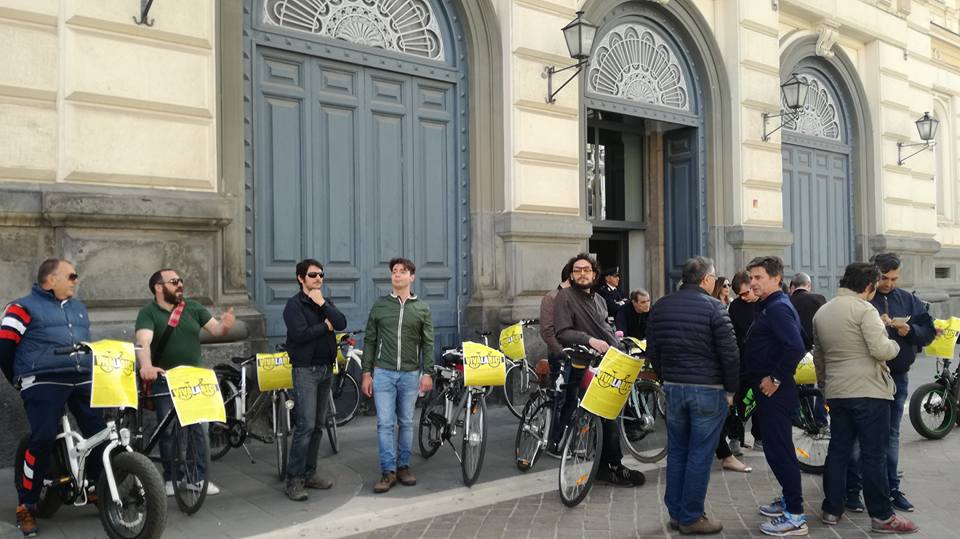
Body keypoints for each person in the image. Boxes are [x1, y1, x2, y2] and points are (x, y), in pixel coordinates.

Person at [813, 262, 918, 534]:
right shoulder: (865, 310)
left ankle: (831, 509)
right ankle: (882, 516)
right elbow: (881, 350)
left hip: (838, 392)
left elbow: (820, 359)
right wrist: (894, 342)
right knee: (873, 455)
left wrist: (825, 388)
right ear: (869, 286)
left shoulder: (823, 312)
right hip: (869, 392)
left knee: (838, 451)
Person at [1, 259, 103, 537]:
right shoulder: (21, 308)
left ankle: (96, 486)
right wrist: (17, 378)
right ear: (51, 279)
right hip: (43, 379)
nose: (75, 280)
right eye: (71, 276)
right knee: (44, 437)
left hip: (81, 377)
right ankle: (27, 504)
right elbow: (5, 347)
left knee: (100, 434)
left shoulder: (78, 308)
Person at [646, 256, 740, 535]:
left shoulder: (661, 306)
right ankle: (691, 516)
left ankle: (677, 514)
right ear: (707, 280)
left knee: (678, 451)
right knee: (700, 454)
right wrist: (731, 389)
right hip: (707, 389)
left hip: (674, 386)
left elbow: (653, 350)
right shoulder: (715, 308)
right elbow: (730, 354)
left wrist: (665, 377)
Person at [135, 268, 235, 497]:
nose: (180, 284)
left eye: (180, 280)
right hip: (166, 378)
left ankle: (197, 478)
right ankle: (172, 477)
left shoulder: (193, 307)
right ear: (158, 287)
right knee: (168, 430)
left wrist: (225, 325)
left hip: (194, 379)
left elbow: (216, 330)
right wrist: (146, 366)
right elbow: (143, 342)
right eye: (173, 281)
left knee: (200, 429)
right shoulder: (148, 313)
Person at [846, 253, 935, 513]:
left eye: (895, 279)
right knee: (859, 436)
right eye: (884, 278)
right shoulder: (862, 298)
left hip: (898, 377)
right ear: (874, 274)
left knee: (892, 435)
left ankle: (891, 488)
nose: (889, 284)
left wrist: (911, 331)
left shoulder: (908, 299)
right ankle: (853, 490)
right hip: (866, 377)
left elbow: (928, 331)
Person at [554, 254, 645, 487]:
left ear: (594, 274)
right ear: (571, 275)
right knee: (604, 416)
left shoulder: (600, 300)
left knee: (610, 416)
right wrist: (589, 340)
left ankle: (608, 466)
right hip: (584, 364)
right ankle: (610, 465)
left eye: (587, 270)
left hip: (609, 362)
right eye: (577, 270)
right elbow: (562, 332)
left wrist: (619, 342)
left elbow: (606, 328)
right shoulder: (565, 297)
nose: (582, 274)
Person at [742, 256, 808, 536]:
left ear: (776, 278)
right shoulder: (772, 305)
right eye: (751, 277)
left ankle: (795, 515)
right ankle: (788, 500)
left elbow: (796, 345)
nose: (752, 283)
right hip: (768, 391)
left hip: (775, 393)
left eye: (758, 277)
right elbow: (802, 337)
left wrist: (776, 378)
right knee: (776, 449)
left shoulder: (778, 308)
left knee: (780, 451)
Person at [361, 257, 434, 494]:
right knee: (384, 424)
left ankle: (403, 467)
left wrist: (427, 373)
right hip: (383, 373)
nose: (398, 274)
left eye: (403, 271)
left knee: (406, 422)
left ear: (412, 277)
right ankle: (388, 471)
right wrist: (366, 373)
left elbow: (428, 343)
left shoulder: (422, 308)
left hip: (410, 375)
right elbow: (370, 341)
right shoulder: (380, 306)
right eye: (394, 271)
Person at [282, 259, 347, 501]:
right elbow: (299, 335)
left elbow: (341, 323)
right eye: (313, 275)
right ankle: (294, 479)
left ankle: (310, 472)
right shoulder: (294, 305)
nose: (318, 278)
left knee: (319, 425)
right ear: (301, 278)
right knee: (305, 425)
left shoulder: (324, 302)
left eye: (321, 274)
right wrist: (324, 326)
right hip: (305, 371)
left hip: (325, 370)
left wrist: (322, 305)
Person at [727, 271, 760, 452]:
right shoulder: (736, 307)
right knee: (741, 401)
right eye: (739, 295)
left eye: (746, 293)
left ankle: (760, 437)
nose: (743, 297)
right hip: (742, 361)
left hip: (761, 360)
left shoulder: (764, 302)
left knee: (760, 400)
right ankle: (735, 437)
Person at [540, 262, 572, 379]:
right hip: (560, 356)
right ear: (571, 276)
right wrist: (561, 352)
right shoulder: (551, 297)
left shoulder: (578, 297)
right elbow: (546, 330)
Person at [788, 273, 826, 352]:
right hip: (815, 348)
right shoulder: (819, 299)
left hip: (794, 348)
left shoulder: (787, 302)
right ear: (808, 284)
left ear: (793, 286)